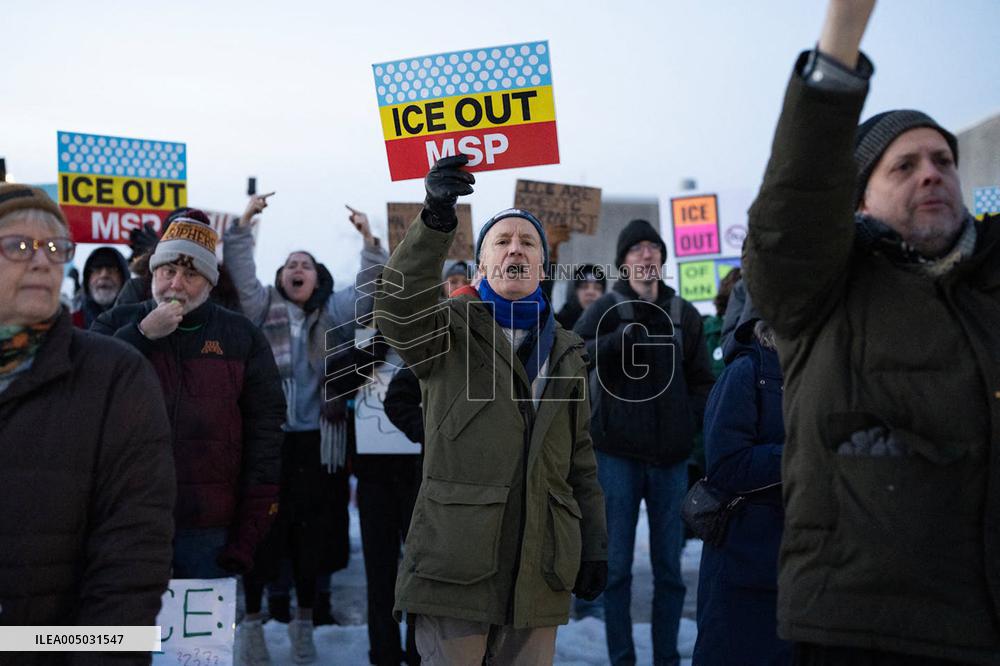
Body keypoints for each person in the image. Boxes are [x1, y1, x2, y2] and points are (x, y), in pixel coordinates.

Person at [743, 1, 1000, 663]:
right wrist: (840, 46)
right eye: (904, 165)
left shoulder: (988, 283)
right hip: (866, 626)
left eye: (943, 160)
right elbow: (795, 206)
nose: (931, 173)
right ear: (858, 198)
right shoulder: (823, 292)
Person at [374, 155, 607, 665]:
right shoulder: (446, 328)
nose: (515, 250)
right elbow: (396, 310)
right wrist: (436, 216)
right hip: (455, 565)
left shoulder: (568, 349)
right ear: (482, 265)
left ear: (544, 266)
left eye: (527, 243)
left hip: (539, 571)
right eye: (501, 242)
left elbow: (579, 462)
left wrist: (593, 545)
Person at [0, 184, 176, 664]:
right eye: (18, 246)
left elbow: (132, 559)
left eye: (56, 247)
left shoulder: (114, 374)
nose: (41, 261)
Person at [223, 193, 388, 663]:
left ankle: (304, 627)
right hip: (269, 442)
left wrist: (369, 241)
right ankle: (252, 626)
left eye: (306, 265)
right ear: (280, 277)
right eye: (290, 264)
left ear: (317, 279)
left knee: (311, 537)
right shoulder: (260, 307)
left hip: (320, 444)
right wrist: (245, 223)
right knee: (262, 533)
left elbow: (369, 290)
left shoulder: (333, 314)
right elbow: (239, 270)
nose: (297, 268)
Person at [91, 213, 285, 578]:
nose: (176, 285)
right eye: (167, 272)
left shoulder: (241, 337)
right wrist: (141, 335)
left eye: (191, 274)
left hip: (208, 528)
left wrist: (248, 532)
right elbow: (86, 395)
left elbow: (265, 434)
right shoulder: (117, 323)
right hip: (127, 521)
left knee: (199, 638)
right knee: (131, 636)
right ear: (153, 274)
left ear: (209, 282)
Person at [574, 218, 715, 666]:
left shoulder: (683, 313)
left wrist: (684, 421)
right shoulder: (605, 308)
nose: (646, 255)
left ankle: (666, 660)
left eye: (653, 247)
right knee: (615, 572)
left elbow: (703, 382)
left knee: (670, 573)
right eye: (635, 249)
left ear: (662, 259)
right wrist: (615, 340)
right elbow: (571, 356)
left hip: (670, 461)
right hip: (615, 456)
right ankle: (622, 659)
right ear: (623, 261)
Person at [693, 299, 789, 666]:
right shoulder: (747, 371)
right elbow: (726, 465)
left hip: (797, 562)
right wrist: (801, 455)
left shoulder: (821, 372)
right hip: (745, 560)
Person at [115, 208, 242, 313]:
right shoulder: (136, 289)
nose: (176, 284)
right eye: (170, 271)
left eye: (191, 274)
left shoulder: (224, 292)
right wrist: (144, 330)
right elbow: (113, 338)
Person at [71, 245, 128, 328]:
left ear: (123, 277)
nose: (104, 275)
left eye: (112, 269)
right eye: (96, 269)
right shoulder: (70, 325)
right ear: (87, 278)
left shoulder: (140, 321)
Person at [555, 264, 606, 330]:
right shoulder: (556, 326)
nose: (590, 292)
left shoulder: (610, 327)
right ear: (573, 291)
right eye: (584, 287)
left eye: (597, 288)